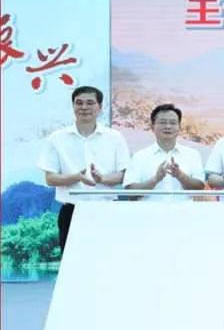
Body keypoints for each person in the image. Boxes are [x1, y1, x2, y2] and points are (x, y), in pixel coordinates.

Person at [37, 85, 130, 253]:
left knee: (108, 258)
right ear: (73, 106)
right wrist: (76, 177)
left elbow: (124, 175)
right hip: (72, 210)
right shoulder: (57, 138)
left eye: (90, 103)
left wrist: (102, 179)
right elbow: (50, 178)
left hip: (107, 208)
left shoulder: (115, 138)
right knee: (71, 260)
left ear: (100, 107)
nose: (84, 107)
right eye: (79, 103)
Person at [123, 103, 205, 201]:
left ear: (179, 128)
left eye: (173, 123)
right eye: (162, 122)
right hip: (148, 211)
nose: (168, 126)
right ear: (152, 127)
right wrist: (155, 179)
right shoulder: (139, 157)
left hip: (183, 210)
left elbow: (199, 188)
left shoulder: (193, 155)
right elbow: (130, 193)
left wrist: (180, 176)